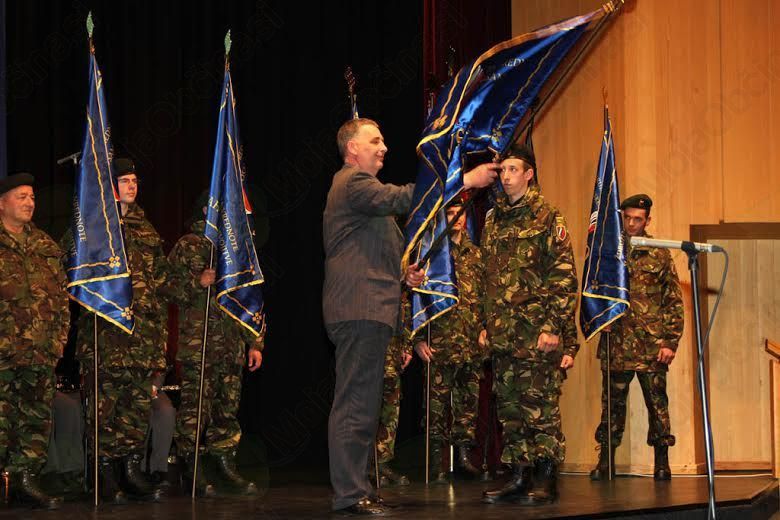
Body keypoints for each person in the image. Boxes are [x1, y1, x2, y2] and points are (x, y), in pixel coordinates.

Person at [323, 117, 498, 515]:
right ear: (353, 149)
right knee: (355, 404)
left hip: (370, 308)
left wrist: (404, 274)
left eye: (383, 140)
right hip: (360, 307)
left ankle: (358, 488)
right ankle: (349, 494)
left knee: (365, 405)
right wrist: (464, 181)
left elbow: (370, 252)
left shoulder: (364, 200)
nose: (384, 147)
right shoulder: (352, 183)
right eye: (375, 141)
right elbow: (407, 198)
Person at [479, 144, 579, 505]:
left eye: (513, 169)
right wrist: (485, 324)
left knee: (540, 406)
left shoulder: (548, 217)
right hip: (502, 333)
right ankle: (519, 476)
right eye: (502, 170)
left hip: (536, 332)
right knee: (510, 409)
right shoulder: (493, 219)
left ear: (529, 174)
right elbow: (485, 275)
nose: (506, 177)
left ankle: (546, 476)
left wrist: (553, 327)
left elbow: (564, 276)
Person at [69, 158, 170, 503]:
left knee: (134, 408)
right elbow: (73, 268)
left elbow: (159, 283)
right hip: (107, 336)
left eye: (134, 180)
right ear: (109, 186)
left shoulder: (145, 227)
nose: (131, 186)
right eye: (124, 180)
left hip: (141, 339)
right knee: (105, 409)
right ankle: (102, 472)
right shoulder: (93, 224)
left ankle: (129, 468)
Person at [166, 194, 264, 496]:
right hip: (200, 344)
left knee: (226, 411)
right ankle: (191, 468)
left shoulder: (237, 249)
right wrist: (197, 282)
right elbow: (165, 287)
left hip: (231, 344)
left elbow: (249, 298)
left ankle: (224, 464)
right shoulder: (189, 245)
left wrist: (255, 342)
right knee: (196, 410)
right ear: (206, 209)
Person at [590, 194, 684, 481]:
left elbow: (673, 300)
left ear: (647, 221)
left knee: (657, 406)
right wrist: (599, 319)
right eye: (627, 218)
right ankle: (605, 461)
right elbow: (593, 293)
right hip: (616, 343)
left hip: (651, 346)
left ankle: (661, 462)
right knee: (612, 407)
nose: (632, 224)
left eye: (638, 219)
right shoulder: (607, 251)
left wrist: (670, 342)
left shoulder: (659, 253)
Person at [0, 172, 69, 509]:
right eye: (21, 197)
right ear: (2, 203)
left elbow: (61, 300)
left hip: (40, 354)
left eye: (32, 197)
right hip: (3, 354)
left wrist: (57, 342)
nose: (29, 203)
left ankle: (24, 480)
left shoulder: (45, 245)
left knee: (34, 421)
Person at [413, 199, 483, 483]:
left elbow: (488, 296)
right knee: (436, 406)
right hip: (439, 343)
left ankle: (463, 458)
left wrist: (485, 329)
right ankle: (436, 463)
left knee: (468, 404)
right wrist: (418, 339)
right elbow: (417, 301)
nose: (456, 218)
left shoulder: (477, 255)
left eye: (460, 213)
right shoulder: (433, 257)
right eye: (450, 213)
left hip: (471, 342)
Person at [372, 335, 412, 487]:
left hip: (392, 358)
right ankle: (365, 466)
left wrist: (407, 347)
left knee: (390, 413)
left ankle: (381, 463)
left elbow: (405, 321)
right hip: (367, 356)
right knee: (365, 413)